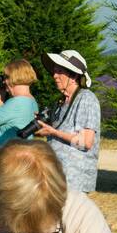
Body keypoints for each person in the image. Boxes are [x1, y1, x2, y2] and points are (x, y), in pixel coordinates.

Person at [33, 50, 102, 193]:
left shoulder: (86, 99)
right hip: (57, 177)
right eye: (54, 71)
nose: (54, 75)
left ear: (74, 75)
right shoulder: (61, 102)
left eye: (59, 71)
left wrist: (53, 132)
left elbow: (86, 142)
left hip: (74, 181)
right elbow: (59, 134)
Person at [0, 59, 39, 154]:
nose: (4, 81)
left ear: (12, 78)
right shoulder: (31, 101)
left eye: (5, 77)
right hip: (19, 155)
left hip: (6, 159)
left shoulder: (16, 103)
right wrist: (1, 95)